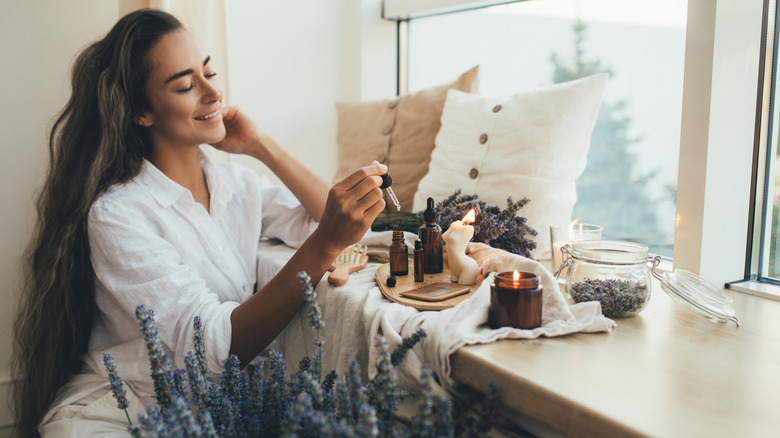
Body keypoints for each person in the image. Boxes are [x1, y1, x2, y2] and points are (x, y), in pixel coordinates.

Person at [11, 9, 386, 437]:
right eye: (187, 85)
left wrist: (262, 146)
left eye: (210, 72)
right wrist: (323, 246)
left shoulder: (236, 184)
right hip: (127, 412)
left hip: (215, 411)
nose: (212, 93)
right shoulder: (117, 214)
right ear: (141, 111)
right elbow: (217, 346)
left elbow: (334, 219)